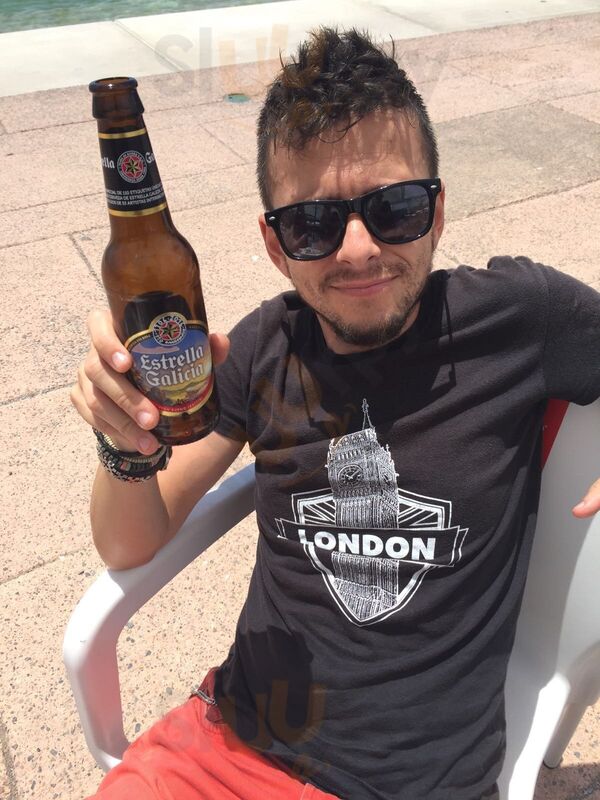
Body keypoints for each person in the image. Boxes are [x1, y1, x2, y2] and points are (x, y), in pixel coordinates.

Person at [71, 27, 600, 800]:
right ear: (275, 245)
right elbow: (132, 541)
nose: (357, 250)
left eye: (395, 208)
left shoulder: (521, 317)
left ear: (438, 211)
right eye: (312, 224)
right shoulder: (263, 346)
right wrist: (124, 443)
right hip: (225, 746)